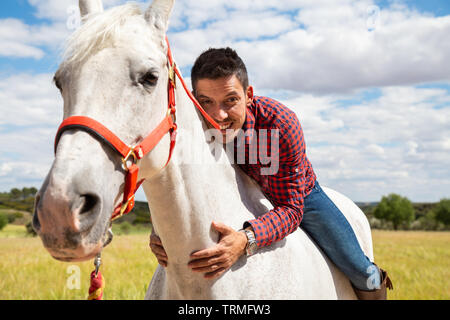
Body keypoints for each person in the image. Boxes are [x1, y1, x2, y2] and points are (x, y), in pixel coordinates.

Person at [149, 47, 393, 299]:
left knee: (360, 270)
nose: (217, 115)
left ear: (249, 95)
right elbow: (176, 184)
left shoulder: (281, 122)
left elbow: (292, 209)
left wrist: (245, 239)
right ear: (194, 99)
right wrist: (159, 234)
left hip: (298, 197)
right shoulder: (193, 126)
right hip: (238, 193)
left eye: (230, 100)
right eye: (206, 102)